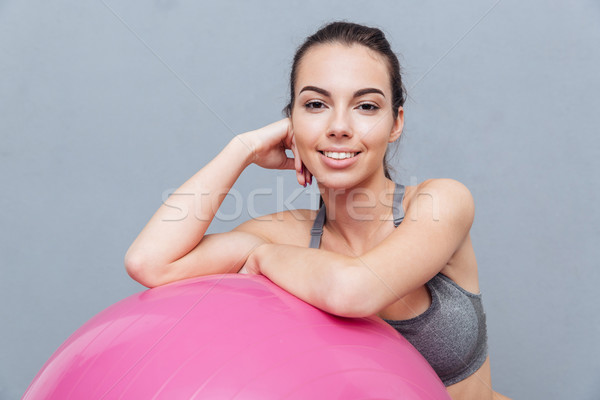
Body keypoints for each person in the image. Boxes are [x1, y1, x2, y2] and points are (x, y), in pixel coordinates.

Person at [125, 21, 510, 400]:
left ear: (396, 122)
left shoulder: (439, 202)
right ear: (290, 120)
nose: (339, 126)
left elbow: (354, 290)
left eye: (366, 106)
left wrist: (262, 257)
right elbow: (150, 262)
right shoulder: (286, 235)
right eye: (315, 104)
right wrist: (241, 149)